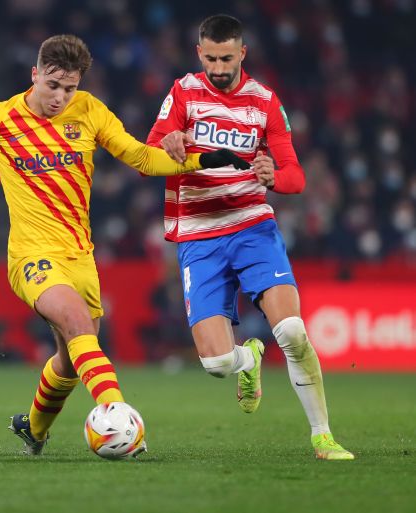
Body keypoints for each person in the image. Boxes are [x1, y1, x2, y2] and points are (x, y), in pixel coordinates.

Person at [0, 34, 249, 455]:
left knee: (71, 361)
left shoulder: (89, 111)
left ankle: (33, 431)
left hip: (81, 259)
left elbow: (142, 158)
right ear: (34, 74)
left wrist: (201, 160)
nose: (60, 97)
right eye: (52, 85)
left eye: (69, 88)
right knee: (75, 322)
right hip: (31, 257)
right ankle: (117, 414)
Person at [146, 14, 354, 460]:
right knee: (217, 363)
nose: (219, 67)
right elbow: (152, 145)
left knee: (293, 331)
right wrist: (172, 141)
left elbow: (296, 176)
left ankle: (322, 435)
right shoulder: (183, 91)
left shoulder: (264, 103)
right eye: (210, 58)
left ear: (243, 53)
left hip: (251, 226)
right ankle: (248, 359)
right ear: (199, 53)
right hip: (199, 236)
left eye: (227, 57)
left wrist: (273, 176)